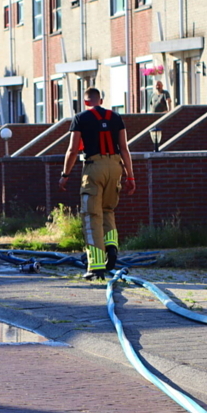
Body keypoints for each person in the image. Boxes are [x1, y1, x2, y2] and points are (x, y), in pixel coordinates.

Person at [59, 87, 136, 280]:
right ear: (100, 100)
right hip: (115, 166)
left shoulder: (80, 118)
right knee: (108, 210)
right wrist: (130, 177)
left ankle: (96, 266)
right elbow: (124, 149)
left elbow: (72, 150)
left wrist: (65, 174)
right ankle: (112, 247)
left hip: (94, 167)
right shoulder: (116, 117)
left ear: (85, 102)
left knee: (91, 215)